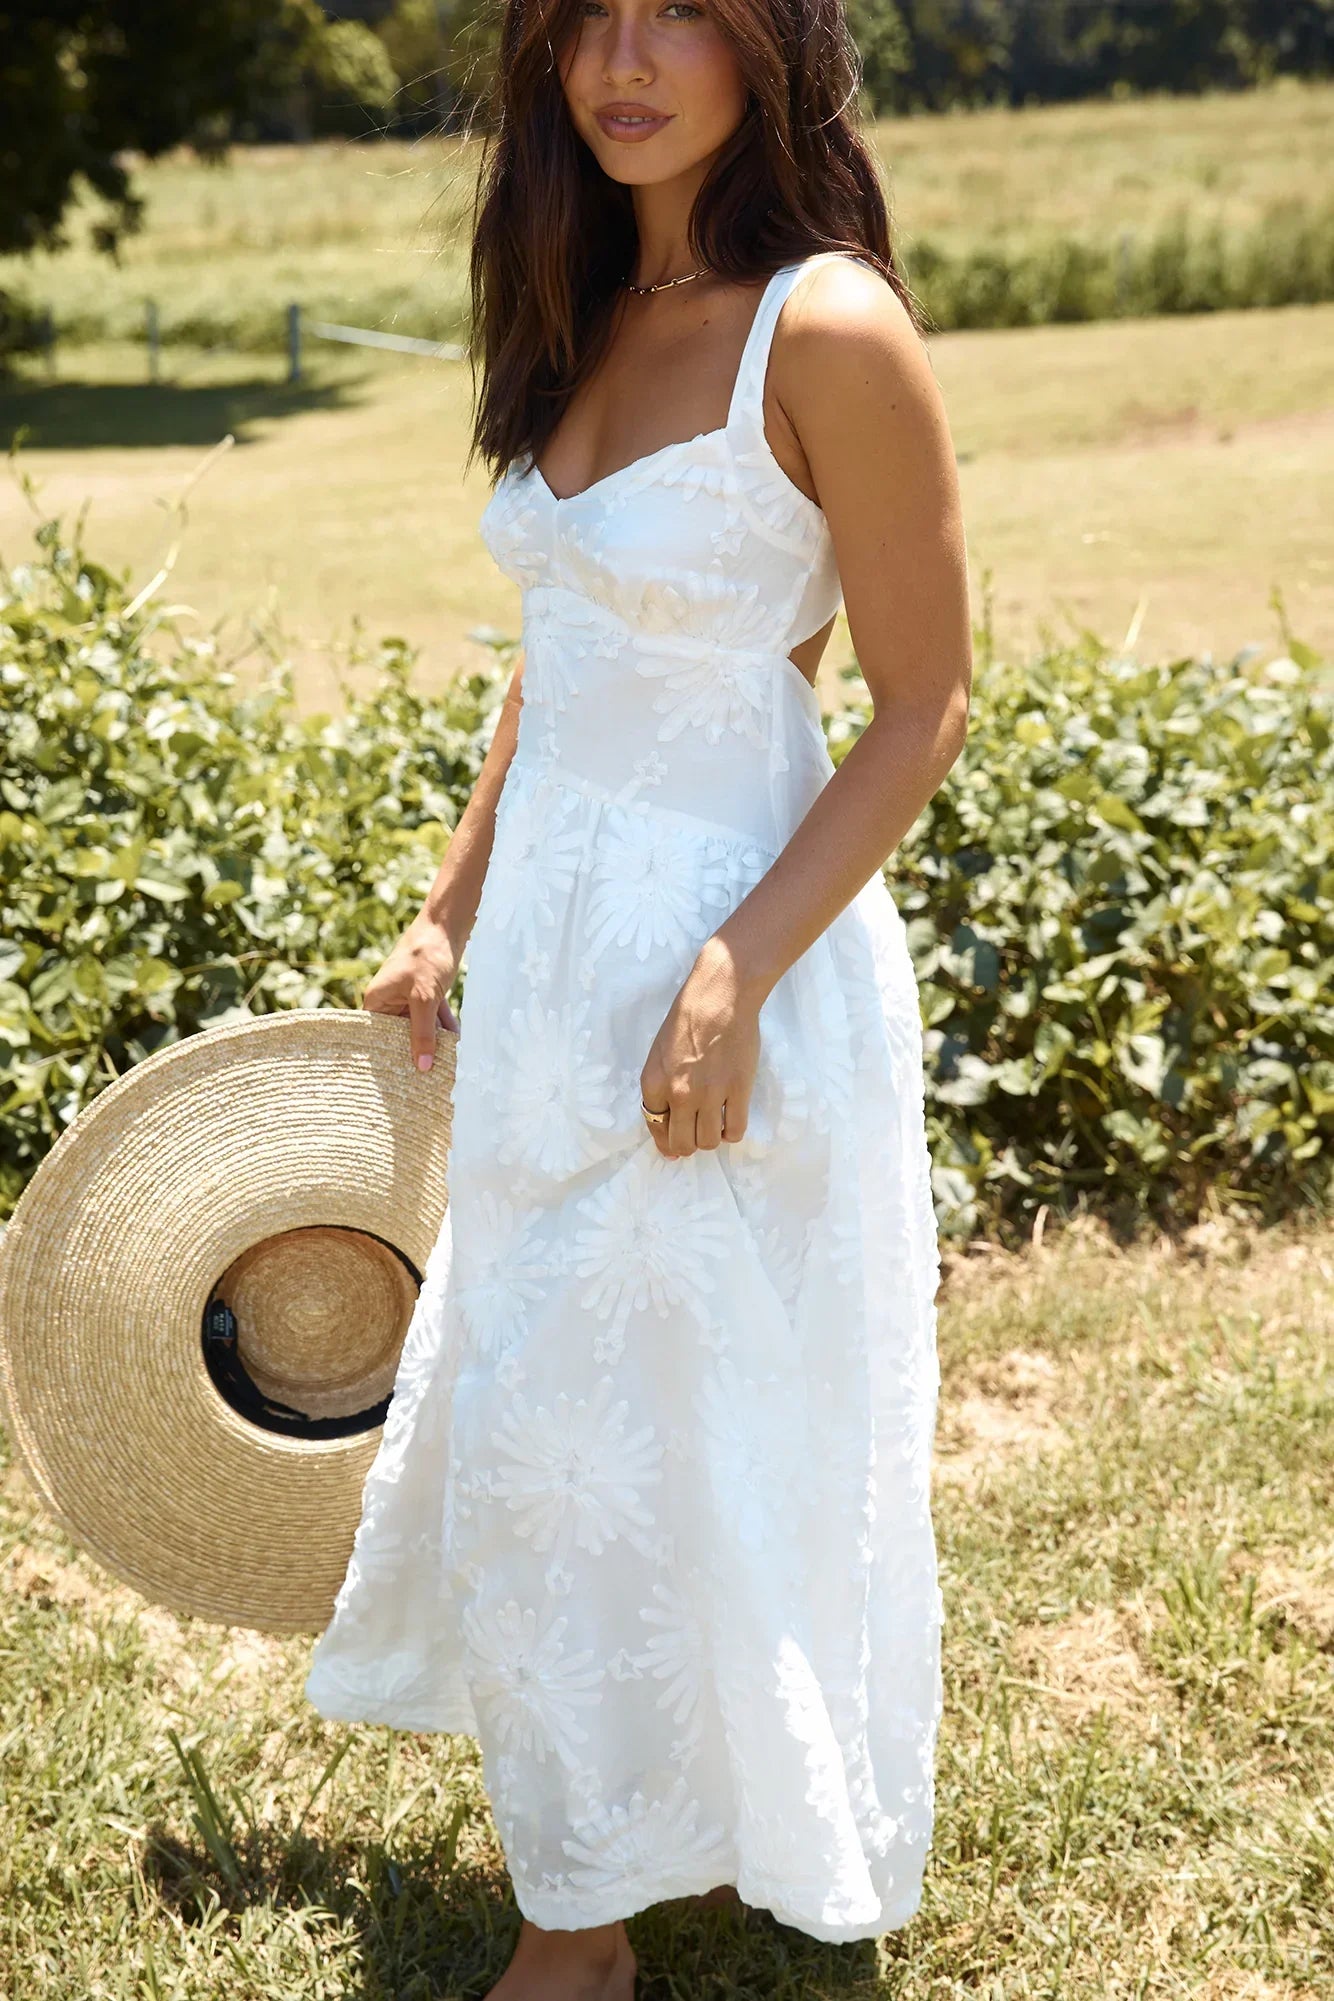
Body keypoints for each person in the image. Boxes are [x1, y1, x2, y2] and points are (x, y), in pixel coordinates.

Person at [303, 0, 972, 1989]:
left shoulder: (825, 327)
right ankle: (628, 1843)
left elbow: (922, 700)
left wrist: (730, 971)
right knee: (563, 1417)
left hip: (726, 968)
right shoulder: (585, 303)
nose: (623, 57)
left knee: (640, 1426)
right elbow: (566, 648)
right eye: (589, 16)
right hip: (548, 968)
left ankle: (573, 1936)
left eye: (677, 10)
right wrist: (447, 914)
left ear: (771, 43)